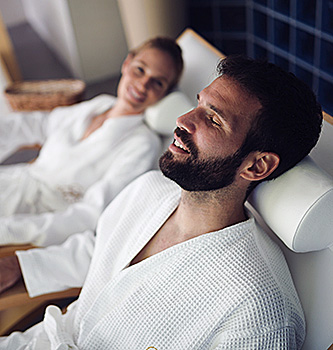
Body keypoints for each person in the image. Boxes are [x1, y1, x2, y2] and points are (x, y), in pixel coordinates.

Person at [0, 56, 322, 349]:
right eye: (199, 103)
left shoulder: (257, 309)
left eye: (213, 119)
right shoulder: (149, 189)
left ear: (257, 166)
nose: (183, 120)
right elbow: (100, 248)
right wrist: (22, 266)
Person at [0, 36, 183, 246]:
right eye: (140, 70)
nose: (143, 85)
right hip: (15, 182)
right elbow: (41, 124)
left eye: (157, 82)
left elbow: (92, 212)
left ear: (166, 93)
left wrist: (12, 231)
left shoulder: (142, 144)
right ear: (127, 63)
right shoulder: (100, 104)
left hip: (41, 217)